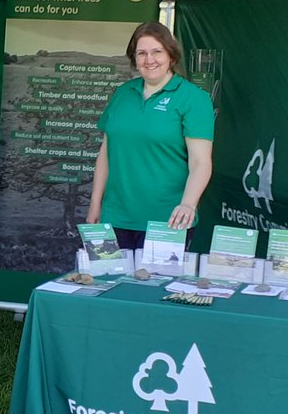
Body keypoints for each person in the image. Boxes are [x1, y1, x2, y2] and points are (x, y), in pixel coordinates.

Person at [86, 21, 214, 251]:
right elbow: (106, 153)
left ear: (171, 56)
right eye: (142, 53)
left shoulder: (194, 99)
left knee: (155, 286)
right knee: (109, 284)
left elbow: (201, 162)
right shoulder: (123, 93)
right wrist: (95, 204)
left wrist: (188, 204)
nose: (149, 60)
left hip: (167, 221)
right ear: (134, 58)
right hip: (115, 217)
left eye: (157, 52)